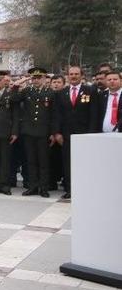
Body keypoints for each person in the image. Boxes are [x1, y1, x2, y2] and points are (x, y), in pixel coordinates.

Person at [52, 65, 98, 199]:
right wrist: (57, 133)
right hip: (66, 135)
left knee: (84, 163)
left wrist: (91, 133)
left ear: (81, 75)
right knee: (68, 162)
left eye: (76, 74)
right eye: (71, 74)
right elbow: (56, 115)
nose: (73, 76)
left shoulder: (90, 91)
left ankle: (85, 188)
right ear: (68, 76)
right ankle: (70, 189)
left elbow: (94, 114)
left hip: (84, 133)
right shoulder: (61, 93)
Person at [13, 68, 55, 198]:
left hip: (43, 132)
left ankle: (43, 187)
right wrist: (18, 83)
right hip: (29, 131)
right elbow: (14, 99)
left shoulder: (50, 92)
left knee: (43, 161)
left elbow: (54, 115)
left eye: (39, 78)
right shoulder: (27, 91)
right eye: (34, 78)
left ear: (44, 78)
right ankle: (33, 186)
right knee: (30, 161)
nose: (36, 80)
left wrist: (53, 132)